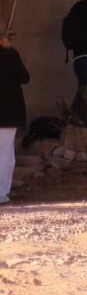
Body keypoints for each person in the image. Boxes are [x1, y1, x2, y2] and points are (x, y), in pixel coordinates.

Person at [0, 30, 29, 205]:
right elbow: (24, 77)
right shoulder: (9, 55)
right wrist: (11, 51)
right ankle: (1, 192)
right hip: (8, 113)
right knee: (4, 153)